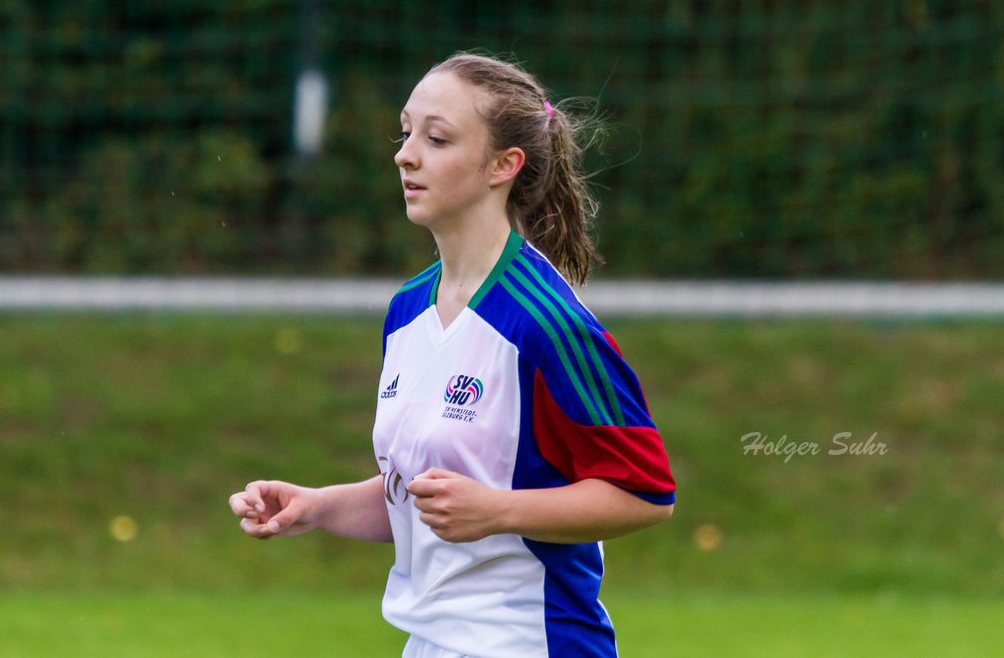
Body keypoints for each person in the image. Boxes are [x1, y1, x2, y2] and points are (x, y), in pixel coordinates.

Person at [229, 52, 676, 658]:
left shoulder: (546, 323)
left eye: (436, 138)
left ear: (503, 166)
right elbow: (426, 497)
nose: (405, 154)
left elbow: (646, 493)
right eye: (406, 131)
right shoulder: (408, 309)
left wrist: (499, 511)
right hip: (429, 644)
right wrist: (319, 506)